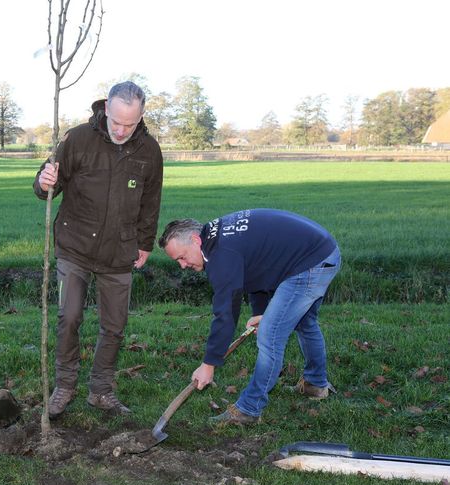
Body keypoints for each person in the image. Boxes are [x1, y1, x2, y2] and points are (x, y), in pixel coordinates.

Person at [34, 81, 164, 419]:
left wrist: (145, 242)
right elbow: (47, 183)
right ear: (106, 108)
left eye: (130, 124)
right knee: (70, 316)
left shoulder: (149, 150)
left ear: (141, 116)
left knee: (115, 326)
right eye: (116, 121)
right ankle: (64, 386)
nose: (121, 131)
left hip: (119, 251)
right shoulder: (77, 139)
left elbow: (151, 201)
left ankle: (101, 391)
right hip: (74, 244)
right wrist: (43, 181)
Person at [157, 209, 341, 425]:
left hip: (310, 263)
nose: (182, 265)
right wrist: (260, 312)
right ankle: (315, 385)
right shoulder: (215, 239)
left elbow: (225, 312)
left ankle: (249, 410)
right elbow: (255, 268)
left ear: (195, 240)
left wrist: (209, 364)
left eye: (182, 257)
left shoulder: (221, 255)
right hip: (321, 252)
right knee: (304, 322)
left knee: (270, 335)